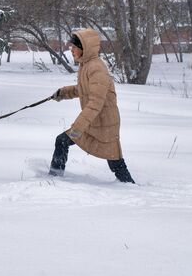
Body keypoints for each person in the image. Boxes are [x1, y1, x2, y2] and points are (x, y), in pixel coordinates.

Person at [48, 29, 135, 183]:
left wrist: (77, 128)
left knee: (115, 162)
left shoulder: (96, 68)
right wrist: (62, 93)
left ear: (84, 47)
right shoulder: (86, 65)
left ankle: (54, 178)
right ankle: (54, 178)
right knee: (62, 141)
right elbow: (82, 90)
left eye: (74, 47)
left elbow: (95, 102)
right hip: (94, 123)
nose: (72, 50)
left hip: (104, 124)